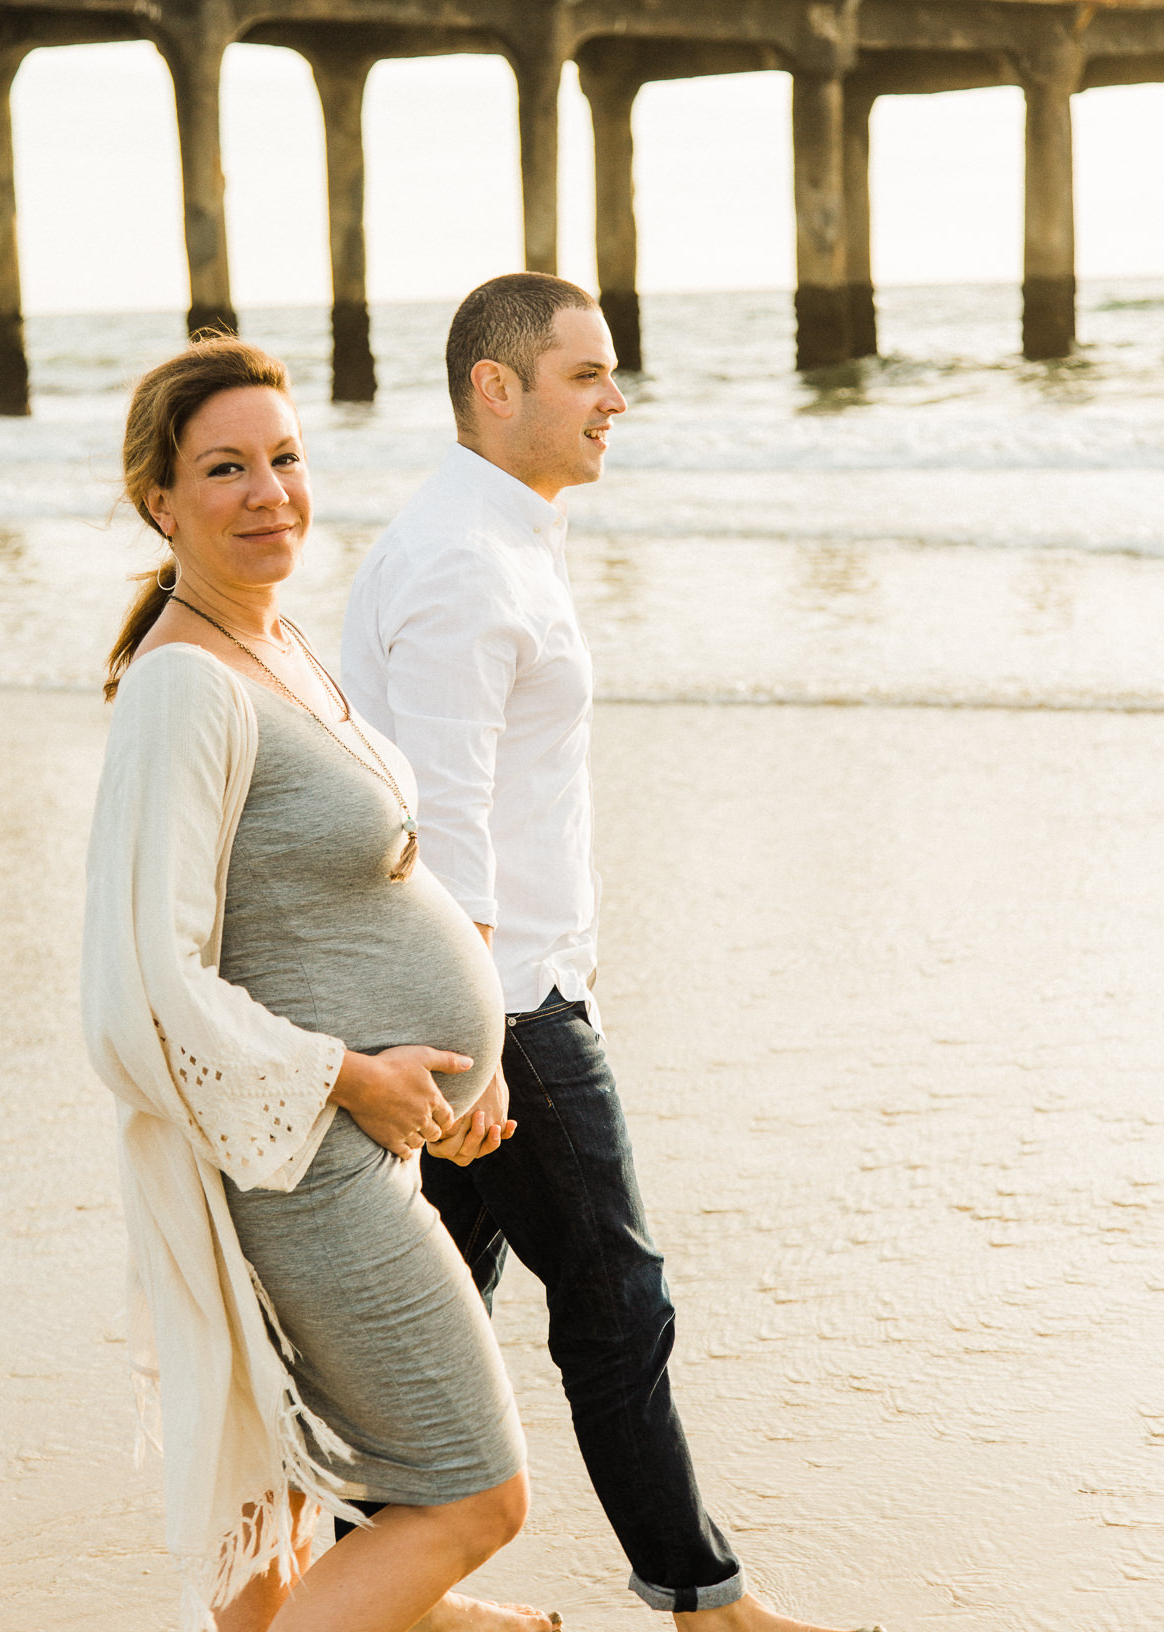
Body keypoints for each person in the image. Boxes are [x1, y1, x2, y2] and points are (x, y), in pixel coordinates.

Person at [340, 274, 882, 1632]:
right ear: (495, 386)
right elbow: (442, 818)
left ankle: (360, 1580)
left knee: (436, 1302)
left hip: (498, 986)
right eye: (584, 375)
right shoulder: (468, 559)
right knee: (615, 1302)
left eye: (610, 374)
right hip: (502, 1002)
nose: (614, 400)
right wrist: (475, 1043)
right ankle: (706, 1604)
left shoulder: (500, 535)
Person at [81, 335, 563, 1632]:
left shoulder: (278, 648)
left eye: (285, 459)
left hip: (362, 1150)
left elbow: (347, 900)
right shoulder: (183, 687)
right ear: (162, 501)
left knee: (286, 1543)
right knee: (475, 1498)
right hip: (312, 1172)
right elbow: (139, 993)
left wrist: (458, 1073)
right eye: (224, 468)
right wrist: (353, 1076)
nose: (268, 492)